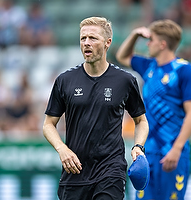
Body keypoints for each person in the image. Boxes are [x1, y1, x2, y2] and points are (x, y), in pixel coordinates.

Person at [43, 16, 149, 200]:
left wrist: (138, 146)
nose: (86, 43)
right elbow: (48, 125)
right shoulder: (65, 81)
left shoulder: (125, 81)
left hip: (111, 170)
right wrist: (62, 148)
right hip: (74, 170)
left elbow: (141, 121)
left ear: (107, 43)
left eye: (92, 38)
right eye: (83, 39)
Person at [116, 19, 191, 200]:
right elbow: (122, 56)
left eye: (151, 40)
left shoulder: (183, 71)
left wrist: (177, 149)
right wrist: (135, 35)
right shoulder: (149, 66)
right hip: (147, 151)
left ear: (162, 44)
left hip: (172, 151)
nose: (148, 43)